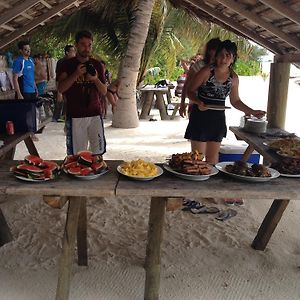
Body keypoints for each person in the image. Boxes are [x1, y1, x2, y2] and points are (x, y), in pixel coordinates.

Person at [186, 40, 265, 165]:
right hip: (200, 117)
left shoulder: (233, 78)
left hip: (217, 119)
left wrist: (252, 112)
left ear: (233, 59)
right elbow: (189, 91)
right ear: (216, 56)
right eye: (221, 55)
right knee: (197, 158)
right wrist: (198, 102)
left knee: (213, 159)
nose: (224, 58)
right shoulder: (206, 71)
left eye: (228, 55)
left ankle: (211, 184)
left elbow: (235, 101)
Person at [57, 30, 107, 155]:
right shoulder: (67, 65)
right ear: (76, 45)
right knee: (77, 156)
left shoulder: (97, 65)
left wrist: (95, 79)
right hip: (75, 115)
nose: (87, 48)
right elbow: (61, 88)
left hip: (95, 114)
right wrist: (75, 74)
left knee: (98, 152)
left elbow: (104, 90)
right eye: (83, 44)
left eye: (89, 45)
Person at [179, 38, 221, 118]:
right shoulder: (198, 66)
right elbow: (187, 84)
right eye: (215, 50)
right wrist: (182, 103)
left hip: (214, 106)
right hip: (196, 103)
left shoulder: (221, 68)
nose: (217, 53)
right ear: (209, 51)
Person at [53, 45, 76, 122]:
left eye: (74, 51)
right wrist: (58, 90)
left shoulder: (75, 62)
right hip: (63, 85)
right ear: (67, 52)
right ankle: (56, 117)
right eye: (72, 51)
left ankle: (65, 116)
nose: (74, 53)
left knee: (68, 102)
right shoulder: (61, 62)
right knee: (60, 101)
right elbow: (58, 76)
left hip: (71, 85)